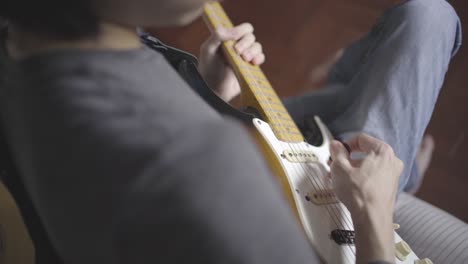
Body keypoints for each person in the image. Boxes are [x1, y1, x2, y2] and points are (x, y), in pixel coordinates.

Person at [0, 0, 466, 264]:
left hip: (249, 130)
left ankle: (346, 80)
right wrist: (373, 214)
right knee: (432, 21)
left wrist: (207, 92)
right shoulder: (203, 166)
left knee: (428, 12)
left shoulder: (23, 38)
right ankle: (402, 170)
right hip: (328, 211)